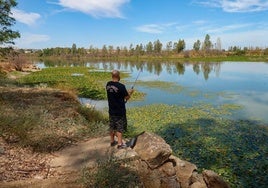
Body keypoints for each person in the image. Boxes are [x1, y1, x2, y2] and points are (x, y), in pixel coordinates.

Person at [106, 70, 134, 149]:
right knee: (119, 127)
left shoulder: (108, 84)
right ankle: (120, 144)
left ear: (112, 76)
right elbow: (126, 97)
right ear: (119, 76)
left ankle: (112, 141)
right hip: (119, 110)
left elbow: (116, 94)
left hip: (111, 110)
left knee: (112, 126)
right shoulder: (121, 86)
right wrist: (130, 93)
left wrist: (125, 93)